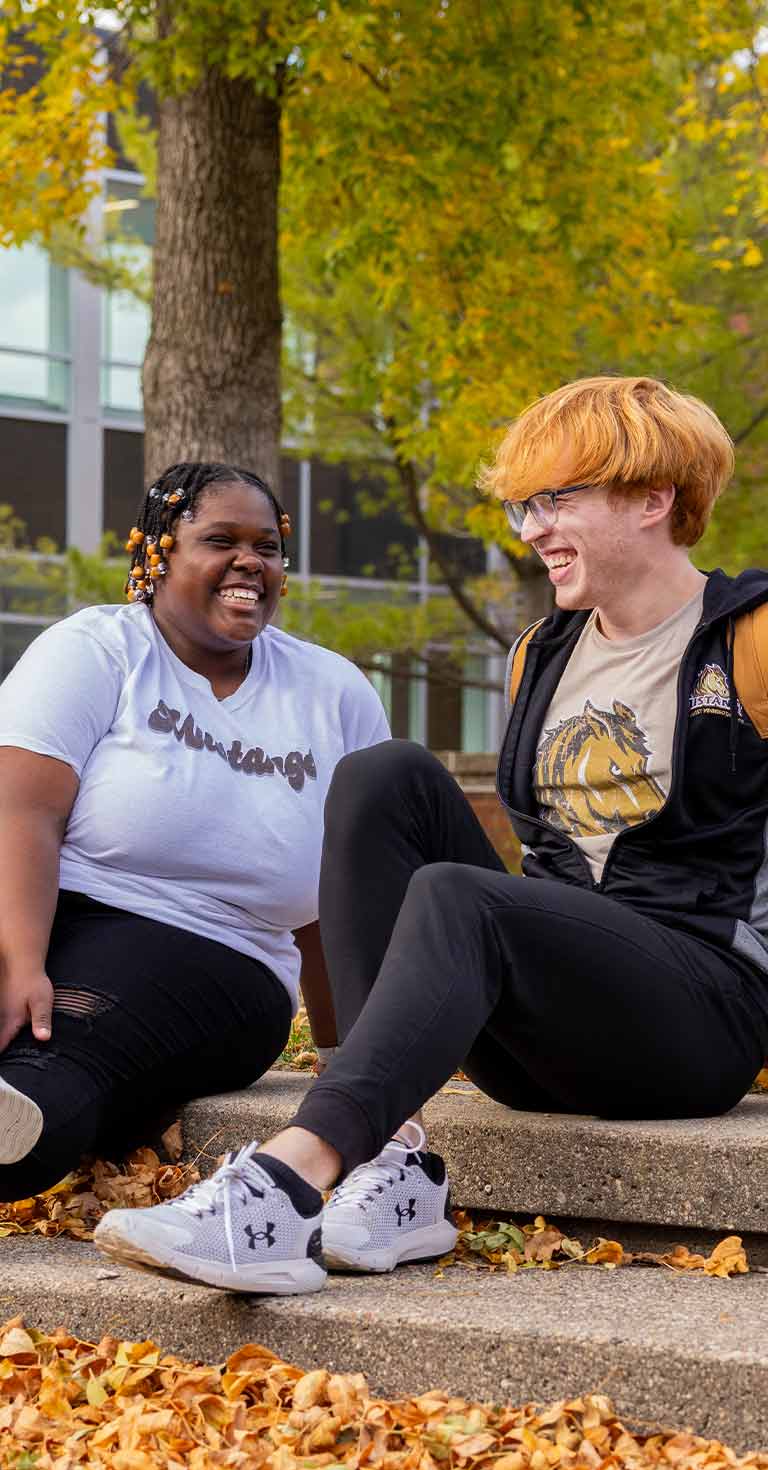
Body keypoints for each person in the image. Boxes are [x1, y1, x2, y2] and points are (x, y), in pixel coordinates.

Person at [96, 375, 768, 1294]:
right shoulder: (546, 648)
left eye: (555, 500)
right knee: (384, 773)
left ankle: (286, 1183)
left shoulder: (750, 636)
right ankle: (396, 1164)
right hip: (555, 1009)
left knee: (460, 894)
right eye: (525, 505)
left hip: (698, 1016)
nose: (530, 528)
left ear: (653, 500)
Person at [0, 459, 390, 1265]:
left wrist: (347, 1055)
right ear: (158, 554)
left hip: (224, 962)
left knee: (51, 1071)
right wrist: (20, 957)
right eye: (221, 540)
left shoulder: (333, 691)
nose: (253, 562)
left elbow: (342, 888)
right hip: (49, 910)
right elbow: (22, 811)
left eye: (269, 546)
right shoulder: (96, 648)